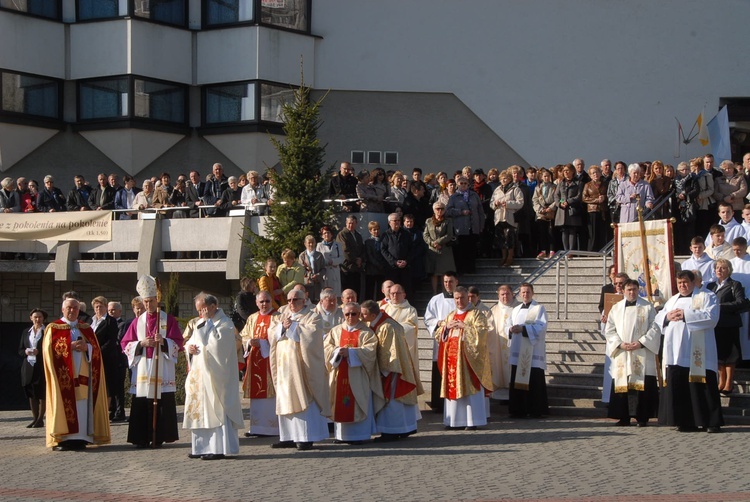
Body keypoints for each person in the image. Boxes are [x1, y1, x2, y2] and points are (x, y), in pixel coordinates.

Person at [120, 275, 184, 448]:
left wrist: (164, 342)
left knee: (161, 400)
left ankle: (160, 436)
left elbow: (179, 342)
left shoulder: (168, 319)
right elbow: (125, 344)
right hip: (143, 366)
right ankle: (140, 437)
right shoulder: (137, 322)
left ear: (157, 299)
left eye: (150, 301)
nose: (148, 305)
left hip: (161, 365)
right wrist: (141, 343)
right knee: (142, 401)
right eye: (145, 302)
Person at [656, 270, 723, 432]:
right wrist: (667, 317)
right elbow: (658, 319)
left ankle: (711, 422)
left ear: (694, 282)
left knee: (702, 385)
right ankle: (685, 421)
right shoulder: (672, 300)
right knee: (681, 385)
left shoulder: (707, 296)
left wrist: (685, 314)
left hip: (698, 351)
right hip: (676, 352)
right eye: (679, 283)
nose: (682, 285)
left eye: (685, 282)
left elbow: (712, 317)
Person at [42, 298, 111, 450]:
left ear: (79, 310)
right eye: (69, 307)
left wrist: (87, 348)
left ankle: (82, 438)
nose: (72, 310)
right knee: (66, 404)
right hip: (63, 377)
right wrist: (68, 346)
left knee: (82, 406)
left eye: (75, 308)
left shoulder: (85, 328)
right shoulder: (53, 328)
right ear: (62, 309)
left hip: (84, 376)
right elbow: (48, 352)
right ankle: (63, 438)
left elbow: (96, 350)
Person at [183, 293, 244, 460]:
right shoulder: (200, 323)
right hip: (200, 376)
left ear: (212, 306)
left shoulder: (225, 323)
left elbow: (219, 348)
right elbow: (191, 341)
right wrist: (189, 348)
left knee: (215, 410)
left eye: (202, 309)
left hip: (216, 378)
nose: (200, 313)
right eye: (198, 310)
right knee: (201, 411)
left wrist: (207, 326)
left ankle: (218, 448)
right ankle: (201, 448)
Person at [269, 289, 330, 451]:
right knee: (285, 398)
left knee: (304, 398)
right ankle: (288, 436)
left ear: (304, 300)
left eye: (295, 299)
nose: (291, 303)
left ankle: (305, 437)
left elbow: (313, 337)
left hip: (302, 369)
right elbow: (271, 334)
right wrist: (282, 326)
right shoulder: (282, 316)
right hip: (284, 367)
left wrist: (293, 326)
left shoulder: (313, 316)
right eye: (289, 300)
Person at [361, 300, 422, 442]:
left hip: (392, 369)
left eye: (364, 314)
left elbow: (389, 352)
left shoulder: (387, 327)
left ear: (373, 314)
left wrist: (382, 371)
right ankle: (405, 428)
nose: (361, 317)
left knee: (393, 400)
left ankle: (391, 431)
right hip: (396, 367)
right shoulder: (380, 322)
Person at [324, 302, 383, 444]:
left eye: (354, 313)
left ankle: (359, 435)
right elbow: (326, 347)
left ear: (359, 314)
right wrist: (338, 351)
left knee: (358, 402)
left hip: (358, 375)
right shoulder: (336, 330)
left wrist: (350, 352)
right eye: (347, 314)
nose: (350, 317)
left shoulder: (366, 332)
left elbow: (370, 352)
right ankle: (341, 436)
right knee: (339, 402)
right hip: (339, 373)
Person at [604, 279, 660, 426]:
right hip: (623, 352)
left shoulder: (647, 307)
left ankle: (642, 417)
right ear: (623, 290)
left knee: (642, 385)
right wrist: (620, 344)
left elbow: (655, 328)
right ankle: (623, 416)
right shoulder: (616, 308)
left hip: (641, 351)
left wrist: (641, 343)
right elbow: (609, 330)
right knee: (623, 385)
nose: (632, 292)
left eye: (634, 289)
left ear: (638, 290)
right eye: (629, 289)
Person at [435, 286, 492, 429]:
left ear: (468, 298)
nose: (459, 301)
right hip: (452, 360)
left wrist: (464, 326)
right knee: (453, 387)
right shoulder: (451, 315)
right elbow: (439, 335)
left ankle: (473, 421)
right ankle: (454, 421)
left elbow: (482, 334)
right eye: (456, 298)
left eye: (462, 298)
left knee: (469, 388)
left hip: (468, 361)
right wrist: (446, 327)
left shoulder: (477, 314)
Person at [239, 291, 280, 437]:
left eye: (267, 301)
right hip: (255, 360)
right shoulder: (252, 318)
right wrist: (249, 342)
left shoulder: (277, 317)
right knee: (257, 398)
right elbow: (243, 336)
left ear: (271, 301)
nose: (264, 304)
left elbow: (280, 338)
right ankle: (257, 428)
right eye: (261, 302)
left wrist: (262, 342)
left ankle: (273, 428)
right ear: (256, 303)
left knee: (271, 396)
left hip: (271, 363)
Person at [706, 259, 749, 395]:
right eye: (717, 268)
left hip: (729, 324)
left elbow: (741, 302)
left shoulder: (734, 284)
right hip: (715, 325)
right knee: (719, 354)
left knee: (730, 355)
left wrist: (720, 307)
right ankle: (721, 381)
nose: (719, 270)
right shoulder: (711, 286)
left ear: (728, 270)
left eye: (723, 268)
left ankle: (729, 383)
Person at [507, 283, 549, 418]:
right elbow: (508, 324)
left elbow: (541, 327)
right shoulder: (516, 309)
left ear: (533, 293)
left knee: (534, 380)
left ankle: (536, 410)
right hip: (517, 349)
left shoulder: (539, 309)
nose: (525, 295)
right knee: (517, 379)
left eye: (528, 292)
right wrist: (510, 329)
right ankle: (518, 410)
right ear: (519, 294)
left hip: (533, 352)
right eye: (523, 292)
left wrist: (523, 329)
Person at [423, 272, 458, 412]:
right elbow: (428, 318)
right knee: (439, 370)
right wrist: (440, 323)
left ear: (457, 281)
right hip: (441, 340)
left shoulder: (462, 297)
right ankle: (438, 403)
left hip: (457, 340)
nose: (448, 284)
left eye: (450, 281)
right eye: (445, 282)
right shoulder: (436, 299)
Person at [89, 296, 121, 423]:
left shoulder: (110, 321)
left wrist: (97, 352)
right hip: (90, 358)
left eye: (101, 306)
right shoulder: (90, 321)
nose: (98, 309)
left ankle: (106, 412)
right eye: (96, 307)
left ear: (105, 307)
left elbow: (111, 341)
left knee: (107, 386)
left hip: (106, 358)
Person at [445, 176, 484, 273]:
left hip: (473, 227)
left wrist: (481, 226)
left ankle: (471, 269)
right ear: (457, 184)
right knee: (461, 250)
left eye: (465, 183)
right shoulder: (454, 197)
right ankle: (461, 270)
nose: (463, 185)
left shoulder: (474, 195)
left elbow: (480, 212)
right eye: (461, 183)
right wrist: (461, 212)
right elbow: (448, 211)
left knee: (472, 249)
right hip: (460, 228)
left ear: (468, 184)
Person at [487, 285, 518, 400]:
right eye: (502, 294)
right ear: (498, 295)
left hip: (514, 346)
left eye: (507, 294)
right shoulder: (493, 310)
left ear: (512, 294)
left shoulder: (519, 308)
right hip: (497, 346)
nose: (505, 297)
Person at [383, 283, 420, 376]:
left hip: (402, 348)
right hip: (385, 347)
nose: (395, 296)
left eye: (397, 293)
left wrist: (393, 328)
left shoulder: (410, 310)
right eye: (392, 293)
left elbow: (411, 327)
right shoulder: (383, 309)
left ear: (404, 294)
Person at [19, 308, 47, 428]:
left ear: (43, 318)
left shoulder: (46, 331)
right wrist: (26, 351)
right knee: (31, 393)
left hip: (41, 366)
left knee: (41, 393)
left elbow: (50, 349)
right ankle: (35, 418)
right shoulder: (26, 332)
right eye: (35, 317)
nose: (37, 319)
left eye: (40, 317)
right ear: (31, 318)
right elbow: (19, 350)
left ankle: (41, 419)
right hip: (28, 366)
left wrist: (39, 352)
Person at [490, 170, 524, 266]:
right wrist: (495, 204)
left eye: (506, 178)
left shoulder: (515, 189)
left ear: (510, 179)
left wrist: (508, 204)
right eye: (502, 178)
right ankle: (503, 257)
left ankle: (510, 257)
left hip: (510, 217)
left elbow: (520, 203)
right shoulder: (497, 190)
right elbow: (491, 203)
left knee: (510, 237)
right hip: (499, 217)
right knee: (500, 238)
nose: (504, 180)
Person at [423, 201, 456, 295]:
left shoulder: (448, 221)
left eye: (442, 209)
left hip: (444, 249)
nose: (440, 211)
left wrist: (439, 242)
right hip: (432, 250)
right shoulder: (428, 221)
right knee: (434, 273)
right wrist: (432, 243)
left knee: (444, 273)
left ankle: (444, 292)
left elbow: (449, 235)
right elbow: (425, 235)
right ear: (434, 210)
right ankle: (434, 292)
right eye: (438, 209)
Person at [552, 164, 583, 253]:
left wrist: (568, 201)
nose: (565, 172)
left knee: (572, 230)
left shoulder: (578, 183)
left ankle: (571, 252)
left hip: (572, 210)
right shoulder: (561, 183)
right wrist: (560, 203)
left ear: (572, 171)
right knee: (564, 231)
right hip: (562, 210)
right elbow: (556, 195)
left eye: (567, 170)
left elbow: (579, 196)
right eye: (564, 171)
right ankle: (565, 251)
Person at [381, 212, 413, 296]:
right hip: (392, 268)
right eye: (395, 221)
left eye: (399, 220)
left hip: (405, 267)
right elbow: (383, 250)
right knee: (392, 290)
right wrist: (394, 262)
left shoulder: (406, 234)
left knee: (406, 290)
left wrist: (406, 261)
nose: (397, 222)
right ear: (389, 222)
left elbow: (412, 249)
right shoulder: (385, 235)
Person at [107, 301, 128, 422]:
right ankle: (112, 410)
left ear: (120, 311)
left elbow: (119, 340)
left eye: (114, 310)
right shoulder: (107, 324)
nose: (111, 312)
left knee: (119, 388)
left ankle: (120, 412)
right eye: (109, 310)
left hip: (119, 360)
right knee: (111, 387)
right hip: (110, 360)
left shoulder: (122, 324)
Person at [337, 215, 365, 298]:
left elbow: (363, 249)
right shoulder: (342, 234)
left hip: (357, 268)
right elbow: (344, 250)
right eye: (349, 223)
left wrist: (361, 259)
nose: (350, 225)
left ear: (356, 224)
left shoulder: (358, 235)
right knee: (348, 292)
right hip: (347, 268)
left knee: (356, 292)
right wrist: (355, 259)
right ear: (346, 223)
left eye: (352, 223)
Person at [532, 168, 557, 259]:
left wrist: (551, 207)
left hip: (551, 212)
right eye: (545, 176)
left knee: (551, 232)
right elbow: (534, 200)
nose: (546, 178)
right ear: (542, 177)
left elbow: (558, 199)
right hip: (541, 212)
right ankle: (543, 250)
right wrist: (539, 209)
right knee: (542, 232)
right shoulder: (538, 188)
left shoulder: (554, 186)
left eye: (548, 176)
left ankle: (551, 250)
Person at [582, 166, 608, 251]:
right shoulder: (587, 185)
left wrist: (604, 197)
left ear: (600, 173)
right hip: (592, 210)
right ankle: (592, 251)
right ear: (590, 175)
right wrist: (596, 200)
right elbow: (584, 198)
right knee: (592, 233)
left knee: (602, 232)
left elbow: (609, 195)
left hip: (602, 210)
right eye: (593, 173)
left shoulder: (605, 184)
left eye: (597, 172)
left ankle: (602, 250)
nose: (595, 174)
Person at [364, 221, 390, 301]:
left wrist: (383, 264)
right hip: (371, 269)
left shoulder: (383, 240)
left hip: (381, 269)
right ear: (370, 231)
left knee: (380, 291)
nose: (376, 231)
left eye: (377, 229)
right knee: (369, 291)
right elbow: (369, 255)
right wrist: (378, 264)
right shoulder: (368, 242)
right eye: (374, 230)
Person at [317, 225, 344, 298]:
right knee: (325, 294)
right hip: (325, 272)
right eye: (324, 233)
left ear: (331, 234)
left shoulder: (338, 245)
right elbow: (318, 259)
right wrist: (326, 262)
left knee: (335, 294)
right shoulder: (319, 246)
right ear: (322, 235)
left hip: (335, 271)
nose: (326, 235)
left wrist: (333, 261)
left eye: (328, 233)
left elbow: (342, 258)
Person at [299, 234, 326, 303]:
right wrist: (310, 276)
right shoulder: (302, 256)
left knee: (318, 301)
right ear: (305, 244)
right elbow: (301, 269)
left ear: (315, 243)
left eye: (312, 243)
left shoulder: (319, 255)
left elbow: (324, 268)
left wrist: (318, 275)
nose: (311, 245)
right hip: (308, 283)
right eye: (309, 243)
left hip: (318, 282)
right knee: (308, 301)